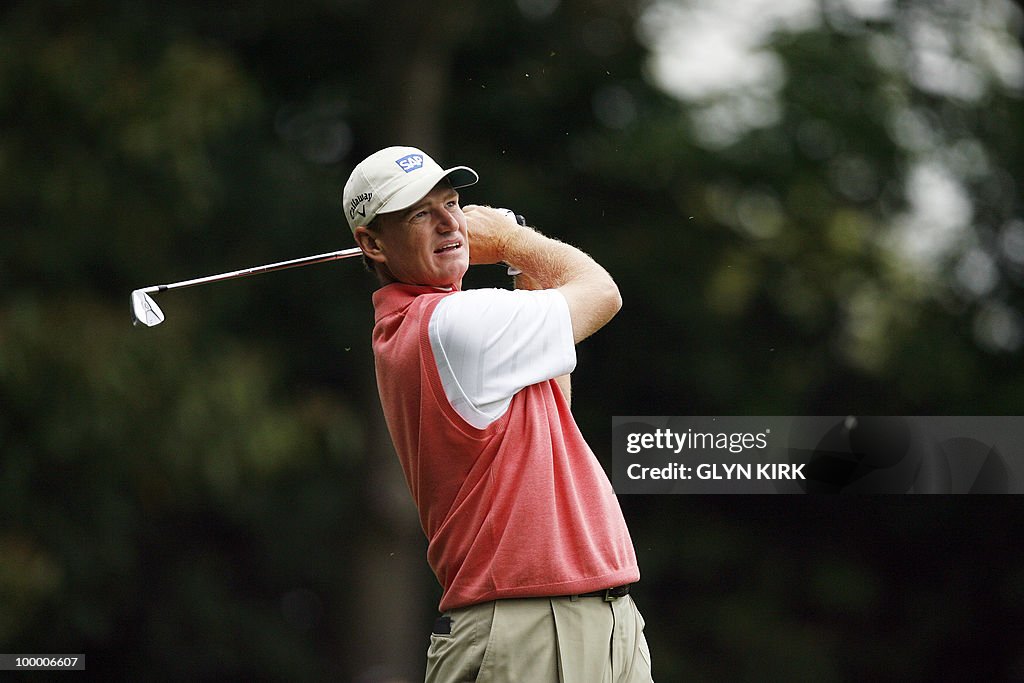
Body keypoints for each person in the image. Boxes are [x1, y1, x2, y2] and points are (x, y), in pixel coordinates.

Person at [343, 146, 653, 682]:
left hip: (596, 620)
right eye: (420, 213)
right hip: (529, 629)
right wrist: (513, 240)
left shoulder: (442, 329)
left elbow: (555, 399)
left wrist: (519, 266)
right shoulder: (450, 324)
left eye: (453, 203)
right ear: (372, 243)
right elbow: (602, 293)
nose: (449, 223)